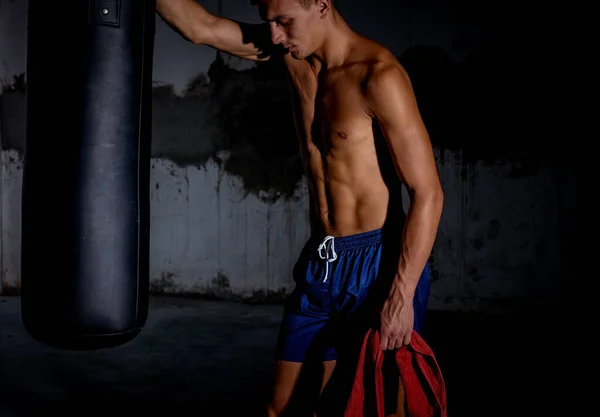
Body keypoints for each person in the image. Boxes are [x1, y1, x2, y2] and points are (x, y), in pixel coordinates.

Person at [156, 0, 444, 415]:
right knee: (284, 408)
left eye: (284, 21)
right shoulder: (293, 56)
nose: (273, 35)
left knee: (380, 408)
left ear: (322, 6)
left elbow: (428, 193)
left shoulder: (378, 77)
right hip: (322, 260)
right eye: (269, 22)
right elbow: (199, 26)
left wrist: (401, 294)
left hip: (377, 263)